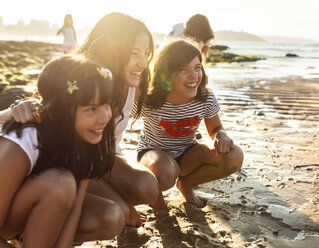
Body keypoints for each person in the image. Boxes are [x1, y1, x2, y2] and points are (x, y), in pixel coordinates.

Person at [1, 12, 159, 228]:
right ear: (114, 50)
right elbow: (43, 104)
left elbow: (166, 98)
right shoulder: (85, 80)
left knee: (147, 186)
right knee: (118, 212)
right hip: (65, 165)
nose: (143, 62)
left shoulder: (135, 83)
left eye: (147, 52)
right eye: (134, 53)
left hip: (99, 160)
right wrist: (14, 111)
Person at [0, 54, 123, 247]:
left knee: (111, 215)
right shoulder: (24, 141)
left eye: (106, 105)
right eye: (91, 109)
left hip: (18, 214)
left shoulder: (86, 139)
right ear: (59, 110)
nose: (104, 118)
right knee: (59, 184)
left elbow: (72, 216)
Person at [132, 39, 244, 208]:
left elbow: (216, 128)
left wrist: (221, 135)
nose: (194, 76)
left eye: (197, 68)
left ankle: (186, 184)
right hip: (154, 156)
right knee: (166, 172)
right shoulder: (149, 99)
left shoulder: (205, 98)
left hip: (187, 154)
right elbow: (117, 119)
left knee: (234, 155)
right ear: (165, 73)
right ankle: (156, 198)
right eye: (184, 69)